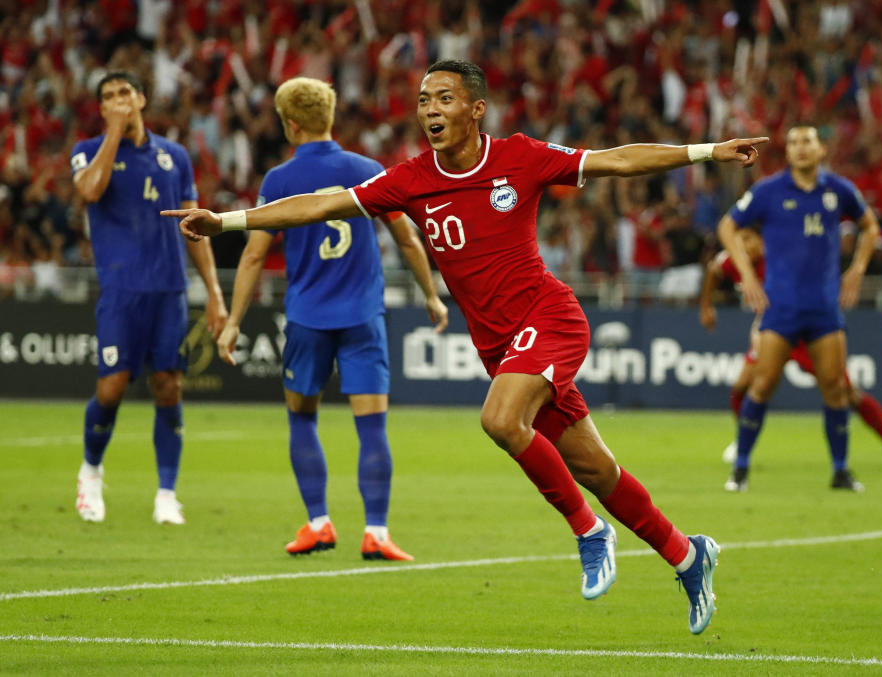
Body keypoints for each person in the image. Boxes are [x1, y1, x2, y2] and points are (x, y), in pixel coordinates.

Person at [165, 59, 769, 635]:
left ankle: (589, 533)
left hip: (550, 316)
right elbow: (320, 204)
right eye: (425, 100)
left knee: (501, 419)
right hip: (499, 346)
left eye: (445, 99)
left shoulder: (521, 157)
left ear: (476, 110)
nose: (431, 109)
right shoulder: (410, 179)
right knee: (595, 468)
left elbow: (617, 161)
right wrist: (229, 222)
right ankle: (689, 556)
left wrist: (708, 151)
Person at [217, 77, 449, 560]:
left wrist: (235, 319)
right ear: (330, 118)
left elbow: (255, 257)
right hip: (363, 315)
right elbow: (407, 238)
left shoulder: (278, 180)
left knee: (301, 416)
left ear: (291, 124)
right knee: (372, 426)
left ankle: (319, 523)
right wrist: (431, 294)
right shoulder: (366, 168)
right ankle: (378, 533)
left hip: (307, 318)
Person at [71, 71, 227, 524]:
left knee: (169, 385)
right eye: (108, 98)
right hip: (121, 292)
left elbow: (195, 230)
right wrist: (115, 134)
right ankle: (91, 472)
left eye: (125, 93)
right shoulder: (86, 152)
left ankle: (165, 493)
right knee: (113, 385)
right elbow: (90, 191)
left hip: (169, 291)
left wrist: (214, 293)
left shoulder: (174, 156)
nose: (118, 101)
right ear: (101, 108)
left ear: (141, 98)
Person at [715, 125, 880, 493]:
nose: (800, 148)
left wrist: (857, 269)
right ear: (787, 152)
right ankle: (740, 468)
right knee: (762, 386)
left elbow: (870, 226)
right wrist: (748, 275)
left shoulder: (839, 190)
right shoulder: (768, 191)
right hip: (781, 310)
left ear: (821, 149)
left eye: (807, 141)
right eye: (792, 143)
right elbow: (727, 227)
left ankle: (840, 471)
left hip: (824, 310)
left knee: (835, 389)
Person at [699, 228, 882, 481]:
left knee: (846, 392)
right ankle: (741, 442)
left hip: (806, 334)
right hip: (774, 332)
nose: (744, 246)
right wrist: (707, 307)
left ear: (762, 239)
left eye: (749, 239)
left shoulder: (782, 256)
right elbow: (714, 271)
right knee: (742, 386)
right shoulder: (735, 260)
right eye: (740, 240)